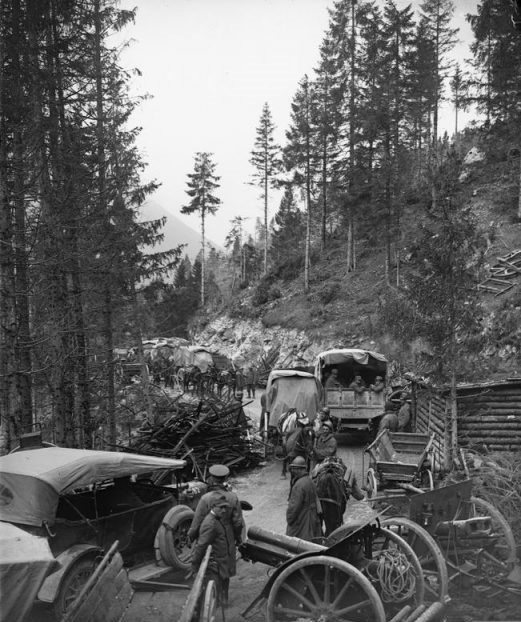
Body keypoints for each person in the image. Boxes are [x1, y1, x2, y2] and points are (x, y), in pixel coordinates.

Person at [188, 464, 244, 601]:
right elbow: (238, 523)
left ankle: (213, 598)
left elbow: (196, 522)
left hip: (209, 538)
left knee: (212, 567)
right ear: (225, 478)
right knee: (225, 567)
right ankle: (224, 597)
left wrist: (191, 537)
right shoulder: (232, 497)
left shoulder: (205, 498)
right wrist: (237, 538)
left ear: (212, 479)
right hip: (227, 536)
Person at [190, 495, 233, 606]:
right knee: (213, 593)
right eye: (221, 507)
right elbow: (201, 545)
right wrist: (195, 564)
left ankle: (222, 603)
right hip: (216, 564)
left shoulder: (216, 519)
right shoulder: (210, 523)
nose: (224, 510)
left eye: (225, 508)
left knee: (223, 584)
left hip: (222, 561)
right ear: (213, 507)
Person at [312, 457, 365, 536]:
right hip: (336, 506)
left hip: (318, 503)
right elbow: (359, 496)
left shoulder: (317, 470)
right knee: (333, 530)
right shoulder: (348, 472)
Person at [286, 456, 322, 541]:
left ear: (299, 469)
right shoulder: (310, 481)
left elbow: (293, 508)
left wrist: (290, 519)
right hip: (313, 520)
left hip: (302, 522)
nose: (293, 471)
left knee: (292, 543)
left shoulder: (299, 485)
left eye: (294, 468)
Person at [282, 413, 313, 477]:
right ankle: (284, 467)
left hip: (306, 435)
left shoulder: (307, 426)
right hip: (293, 431)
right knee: (284, 444)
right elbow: (285, 430)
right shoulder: (290, 420)